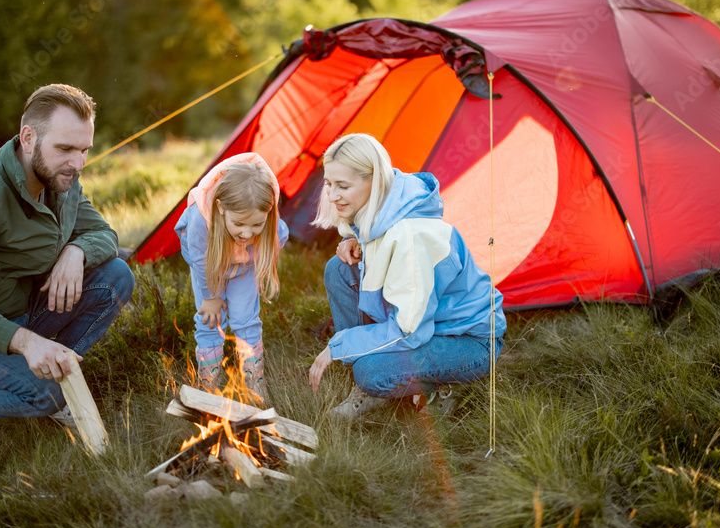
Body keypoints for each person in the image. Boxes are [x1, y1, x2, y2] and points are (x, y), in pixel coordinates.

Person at [0, 84, 135, 460]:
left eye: (84, 150)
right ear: (28, 138)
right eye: (65, 149)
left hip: (22, 308)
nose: (77, 164)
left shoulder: (61, 181)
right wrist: (29, 343)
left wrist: (76, 252)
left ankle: (55, 374)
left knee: (117, 276)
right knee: (45, 393)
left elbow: (105, 235)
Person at [307, 133, 505, 417]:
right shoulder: (383, 206)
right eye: (328, 183)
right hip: (428, 321)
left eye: (343, 186)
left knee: (370, 372)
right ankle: (380, 380)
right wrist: (356, 239)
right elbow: (378, 235)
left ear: (373, 183)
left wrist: (341, 345)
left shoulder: (410, 237)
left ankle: (444, 384)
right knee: (339, 270)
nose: (332, 195)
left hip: (466, 340)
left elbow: (410, 331)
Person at [175, 153, 289, 403]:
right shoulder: (200, 219)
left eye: (256, 225)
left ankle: (253, 386)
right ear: (221, 208)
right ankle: (208, 389)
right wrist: (211, 297)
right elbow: (201, 261)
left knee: (246, 320)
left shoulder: (271, 226)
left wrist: (254, 257)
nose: (247, 233)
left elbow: (277, 238)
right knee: (210, 319)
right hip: (209, 264)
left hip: (244, 266)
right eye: (239, 224)